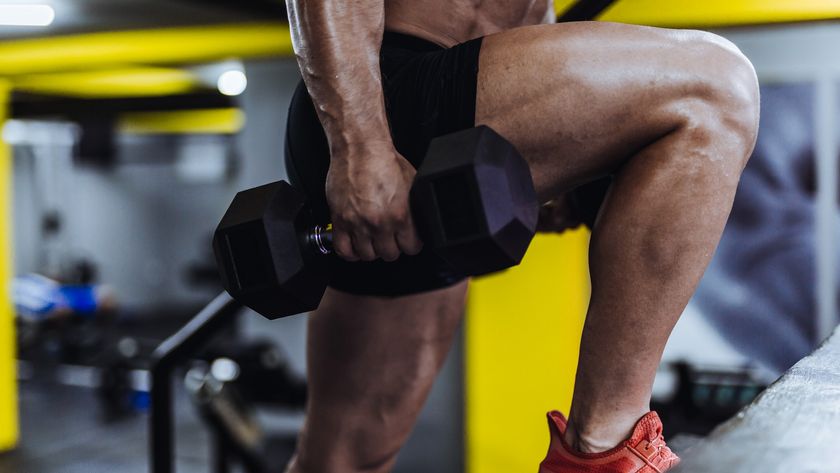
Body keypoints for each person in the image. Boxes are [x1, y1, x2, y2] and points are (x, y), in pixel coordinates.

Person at [282, 1, 760, 471]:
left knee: (347, 456)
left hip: (464, 123)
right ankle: (602, 449)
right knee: (716, 89)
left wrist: (560, 161)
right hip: (386, 91)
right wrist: (358, 143)